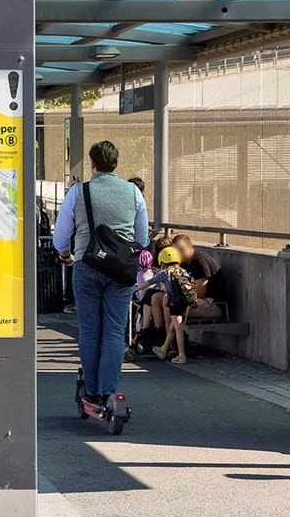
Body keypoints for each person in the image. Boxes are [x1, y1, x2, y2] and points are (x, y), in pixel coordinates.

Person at [53, 140, 149, 409]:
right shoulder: (133, 192)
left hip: (87, 265)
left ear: (93, 163)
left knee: (90, 330)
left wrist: (65, 255)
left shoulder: (79, 192)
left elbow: (61, 235)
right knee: (115, 332)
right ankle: (108, 390)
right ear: (115, 164)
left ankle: (91, 390)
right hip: (121, 271)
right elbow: (142, 237)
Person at [141, 246, 199, 364]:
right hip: (185, 303)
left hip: (174, 304)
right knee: (173, 328)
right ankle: (163, 349)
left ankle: (181, 355)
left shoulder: (164, 274)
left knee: (178, 330)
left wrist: (136, 289)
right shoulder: (183, 271)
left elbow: (149, 282)